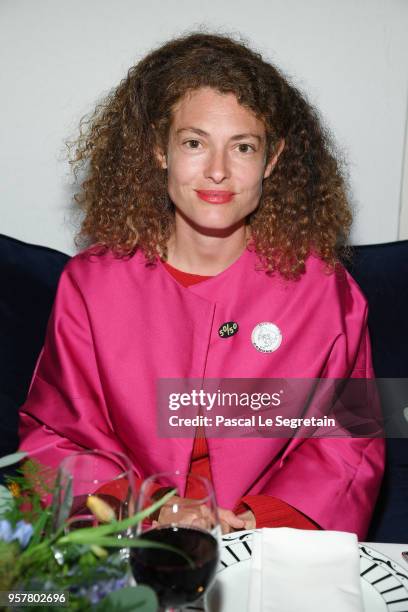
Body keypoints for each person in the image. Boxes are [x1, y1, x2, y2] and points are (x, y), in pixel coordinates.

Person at [19, 32, 384, 538]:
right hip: (130, 536)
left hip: (267, 542)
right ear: (159, 150)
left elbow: (348, 440)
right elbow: (55, 437)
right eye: (194, 143)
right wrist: (146, 508)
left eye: (243, 147)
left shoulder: (324, 291)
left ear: (271, 160)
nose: (217, 171)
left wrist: (267, 519)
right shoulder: (90, 285)